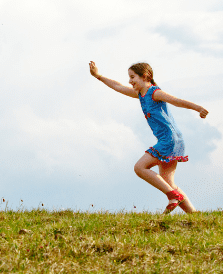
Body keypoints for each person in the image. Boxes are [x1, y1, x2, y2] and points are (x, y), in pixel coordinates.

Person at [89, 61, 208, 214]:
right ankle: (194, 214)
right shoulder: (140, 94)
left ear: (145, 76)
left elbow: (176, 101)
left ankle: (173, 196)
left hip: (169, 139)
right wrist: (98, 76)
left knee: (139, 167)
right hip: (174, 139)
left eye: (133, 77)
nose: (130, 81)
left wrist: (198, 108)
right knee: (168, 182)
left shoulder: (154, 93)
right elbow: (117, 86)